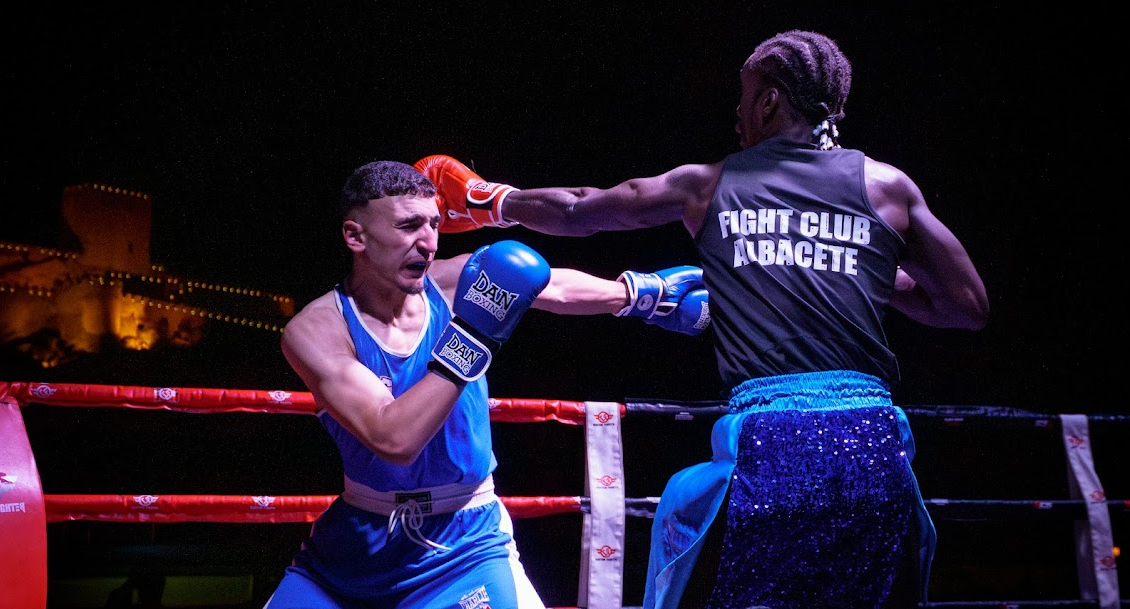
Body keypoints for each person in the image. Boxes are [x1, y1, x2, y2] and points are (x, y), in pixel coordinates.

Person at [416, 29, 989, 609]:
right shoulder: (886, 187)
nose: (736, 115)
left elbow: (581, 209)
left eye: (743, 98)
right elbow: (965, 306)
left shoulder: (708, 185)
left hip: (771, 441)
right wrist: (847, 265)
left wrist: (489, 199)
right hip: (875, 445)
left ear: (767, 101)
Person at [264, 160, 710, 609]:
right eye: (408, 226)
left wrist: (641, 296)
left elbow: (550, 286)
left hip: (465, 542)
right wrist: (475, 337)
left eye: (435, 224)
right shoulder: (317, 329)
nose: (428, 242)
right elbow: (393, 437)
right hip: (354, 551)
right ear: (355, 236)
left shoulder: (450, 284)